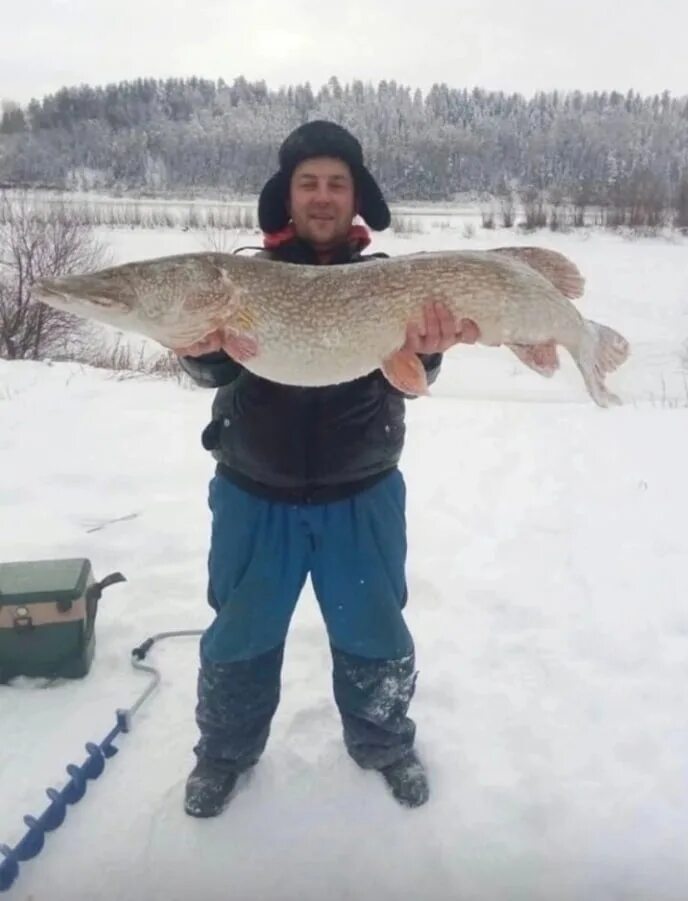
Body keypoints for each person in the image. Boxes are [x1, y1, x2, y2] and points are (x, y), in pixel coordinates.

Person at [175, 120, 479, 817]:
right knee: (240, 633)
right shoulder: (241, 274)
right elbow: (211, 365)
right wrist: (196, 344)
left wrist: (428, 351)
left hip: (361, 492)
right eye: (307, 183)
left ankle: (383, 741)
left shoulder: (390, 280)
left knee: (374, 629)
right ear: (286, 195)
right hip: (254, 492)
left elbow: (409, 376)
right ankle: (223, 754)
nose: (320, 196)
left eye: (335, 184)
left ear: (355, 198)